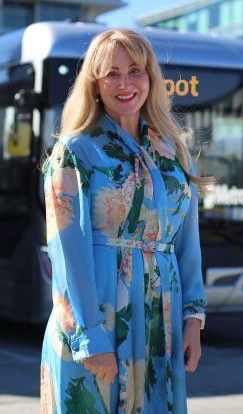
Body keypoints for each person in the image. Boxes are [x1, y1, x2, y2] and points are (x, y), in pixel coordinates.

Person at [40, 29, 211, 413]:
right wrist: (90, 338)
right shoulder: (75, 151)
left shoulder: (174, 152)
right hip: (94, 328)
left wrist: (193, 319)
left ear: (150, 77)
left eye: (135, 71)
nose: (125, 84)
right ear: (95, 83)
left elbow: (187, 245)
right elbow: (67, 255)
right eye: (111, 74)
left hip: (159, 329)